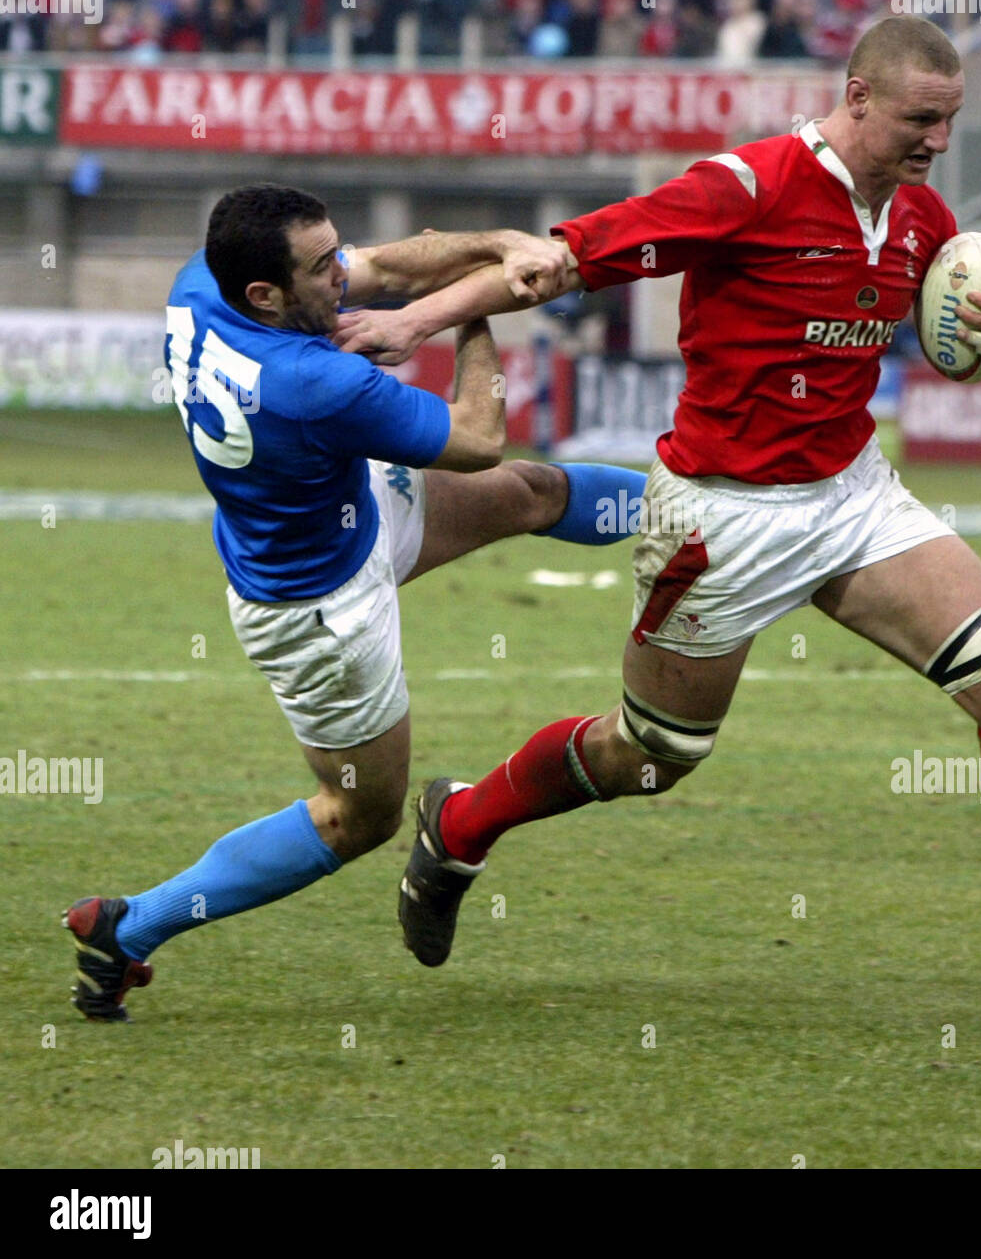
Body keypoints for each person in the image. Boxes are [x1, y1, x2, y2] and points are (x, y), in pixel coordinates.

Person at [337, 17, 981, 1026]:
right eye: (918, 118)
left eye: (950, 120)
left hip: (852, 498)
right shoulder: (747, 187)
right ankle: (460, 822)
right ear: (856, 100)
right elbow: (562, 259)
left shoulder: (922, 221)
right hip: (722, 519)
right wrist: (411, 322)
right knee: (650, 756)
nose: (936, 139)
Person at [63, 184, 647, 1021]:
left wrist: (499, 245)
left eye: (333, 248)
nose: (342, 272)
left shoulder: (204, 282)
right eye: (319, 266)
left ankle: (704, 513)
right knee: (358, 816)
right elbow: (477, 437)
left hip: (352, 515)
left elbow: (385, 265)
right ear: (265, 294)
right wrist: (473, 315)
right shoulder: (311, 382)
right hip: (320, 613)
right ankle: (129, 928)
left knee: (532, 495)